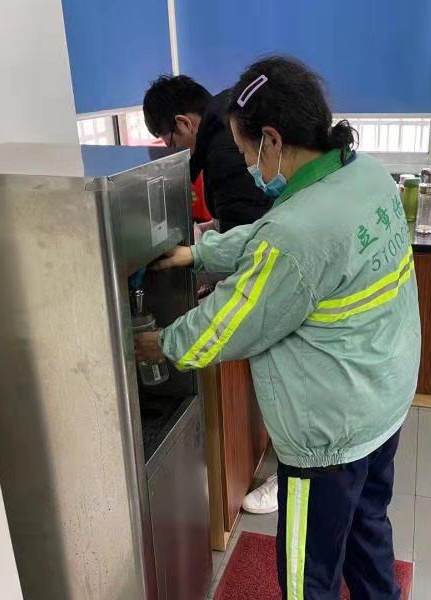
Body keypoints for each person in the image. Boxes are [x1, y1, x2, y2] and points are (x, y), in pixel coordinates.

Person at [135, 56, 420, 599]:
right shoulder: (365, 174)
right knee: (367, 530)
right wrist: (201, 252)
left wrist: (160, 344)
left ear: (272, 139)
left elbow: (231, 321)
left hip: (330, 434)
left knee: (307, 574)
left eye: (246, 150)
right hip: (383, 400)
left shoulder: (295, 232)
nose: (246, 163)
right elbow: (279, 236)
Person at [144, 75, 279, 512]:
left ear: (184, 123)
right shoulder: (227, 111)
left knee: (285, 381)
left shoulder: (221, 151)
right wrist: (204, 245)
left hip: (285, 292)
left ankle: (292, 475)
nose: (171, 150)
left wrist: (168, 340)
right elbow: (256, 227)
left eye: (168, 139)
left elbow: (257, 247)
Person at [142, 75, 270, 234]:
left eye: (172, 144)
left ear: (184, 123)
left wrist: (203, 245)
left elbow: (244, 235)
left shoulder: (222, 156)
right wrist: (217, 224)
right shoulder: (226, 114)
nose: (175, 152)